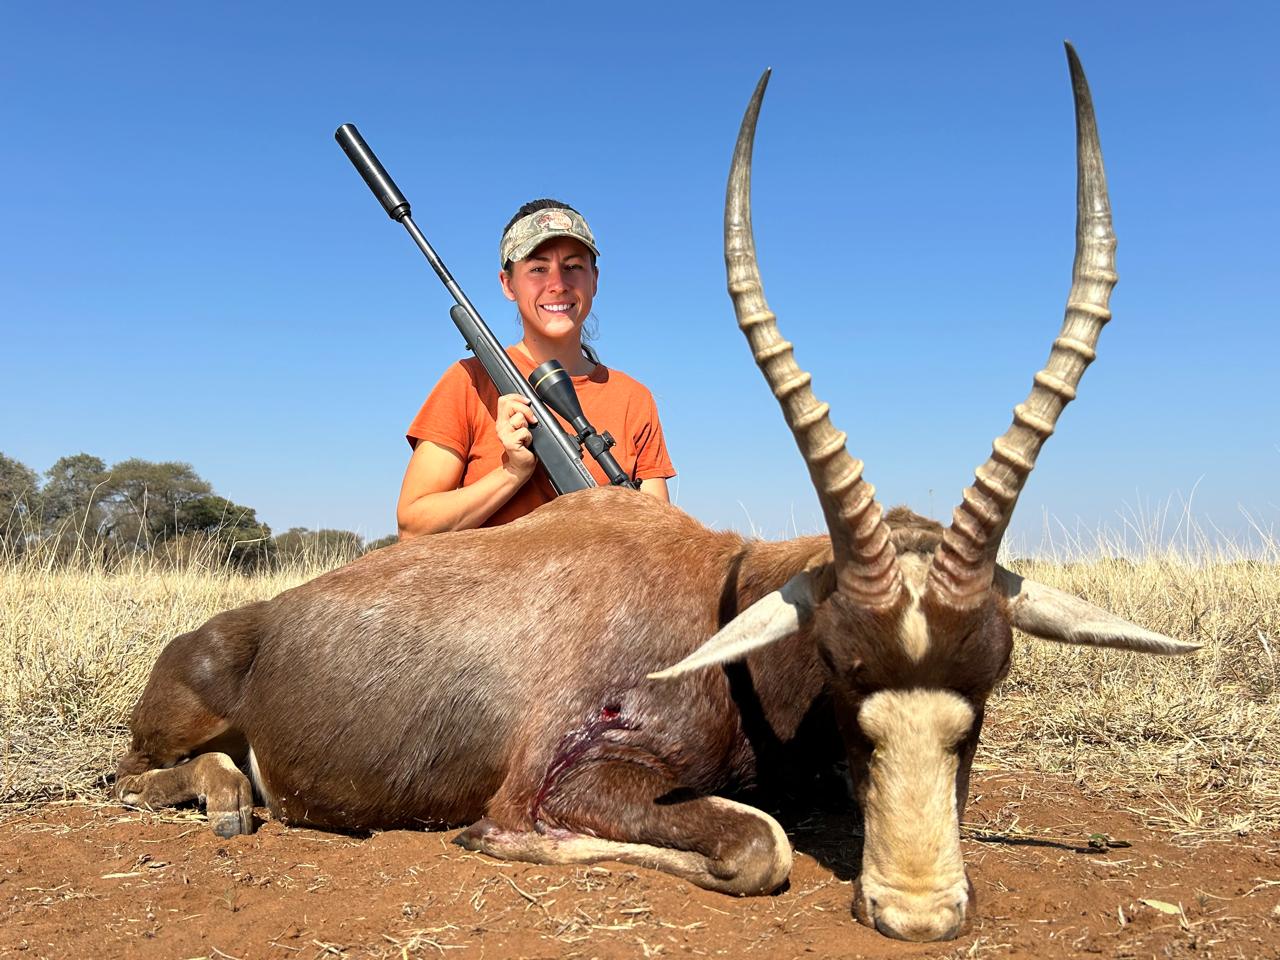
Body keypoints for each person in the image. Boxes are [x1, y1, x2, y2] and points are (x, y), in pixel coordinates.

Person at [397, 199, 675, 538]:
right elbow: (413, 529)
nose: (558, 284)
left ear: (594, 280)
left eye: (573, 266)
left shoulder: (634, 399)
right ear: (508, 283)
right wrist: (512, 472)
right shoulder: (468, 381)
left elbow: (660, 542)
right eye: (538, 269)